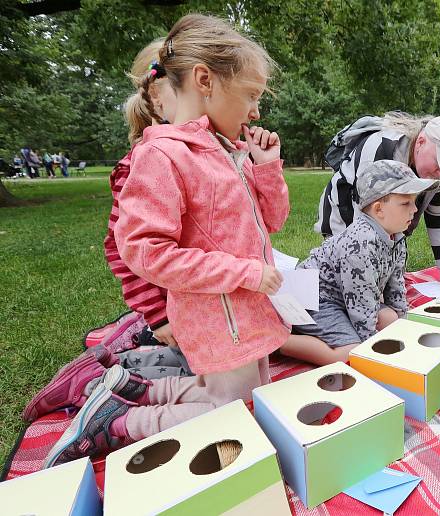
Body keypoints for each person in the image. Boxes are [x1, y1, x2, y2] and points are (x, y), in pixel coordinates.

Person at [36, 14, 288, 467]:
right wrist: (245, 272)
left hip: (246, 313)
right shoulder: (161, 154)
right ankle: (120, 422)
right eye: (251, 95)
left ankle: (141, 388)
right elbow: (143, 249)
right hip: (217, 318)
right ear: (205, 79)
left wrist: (266, 167)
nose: (256, 111)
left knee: (247, 395)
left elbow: (273, 221)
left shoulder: (229, 152)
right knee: (237, 413)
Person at [283, 160, 436, 365]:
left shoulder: (397, 237)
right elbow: (362, 313)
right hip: (315, 299)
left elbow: (396, 287)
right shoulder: (360, 246)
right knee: (351, 352)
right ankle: (277, 341)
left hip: (348, 298)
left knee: (391, 319)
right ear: (379, 209)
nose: (415, 209)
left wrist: (404, 330)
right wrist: (373, 354)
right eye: (405, 203)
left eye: (414, 201)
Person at [314, 112, 440, 289]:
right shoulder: (381, 149)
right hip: (346, 216)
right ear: (420, 142)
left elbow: (438, 216)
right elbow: (363, 220)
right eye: (439, 161)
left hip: (387, 224)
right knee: (348, 283)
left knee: (389, 281)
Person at [103, 38, 179, 351]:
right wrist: (158, 316)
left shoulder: (203, 155)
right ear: (159, 99)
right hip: (173, 312)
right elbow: (121, 249)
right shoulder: (138, 167)